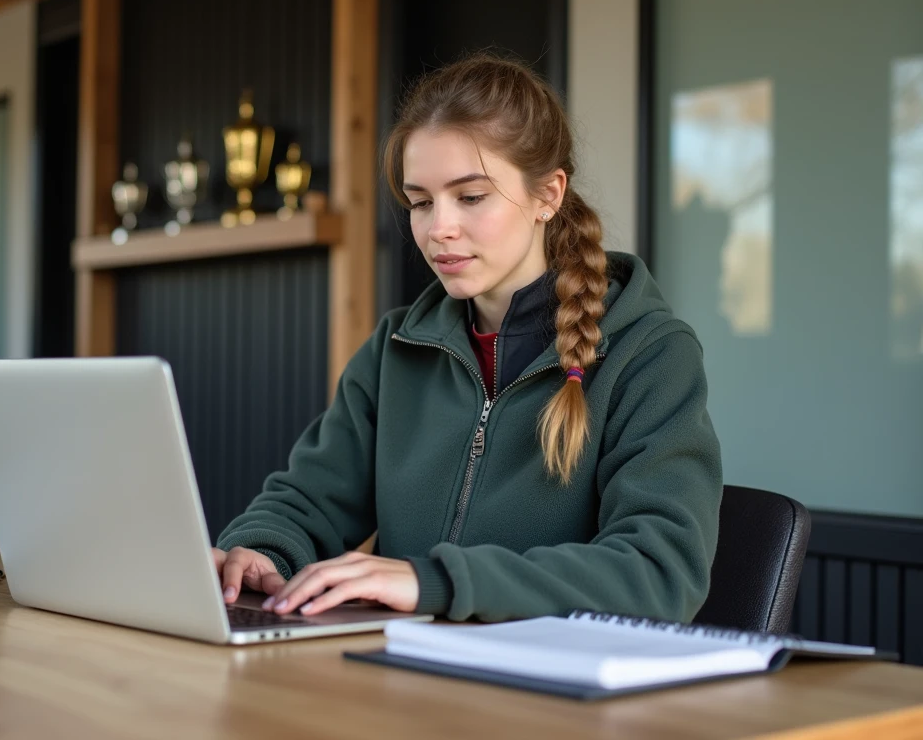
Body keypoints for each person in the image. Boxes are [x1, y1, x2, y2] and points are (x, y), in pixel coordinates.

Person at [212, 53, 723, 623]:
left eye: (471, 197)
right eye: (421, 202)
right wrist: (260, 550)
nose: (439, 228)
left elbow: (660, 571)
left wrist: (437, 582)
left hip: (554, 697)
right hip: (403, 678)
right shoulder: (397, 348)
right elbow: (307, 502)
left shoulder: (649, 354)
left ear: (548, 195)